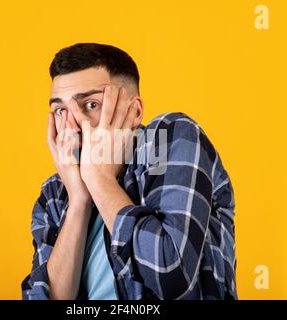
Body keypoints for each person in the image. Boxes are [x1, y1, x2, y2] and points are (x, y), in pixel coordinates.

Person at [21, 43, 237, 300]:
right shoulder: (55, 193)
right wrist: (79, 201)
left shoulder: (166, 140)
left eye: (90, 105)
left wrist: (98, 177)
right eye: (60, 110)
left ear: (134, 111)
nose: (72, 124)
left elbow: (170, 273)